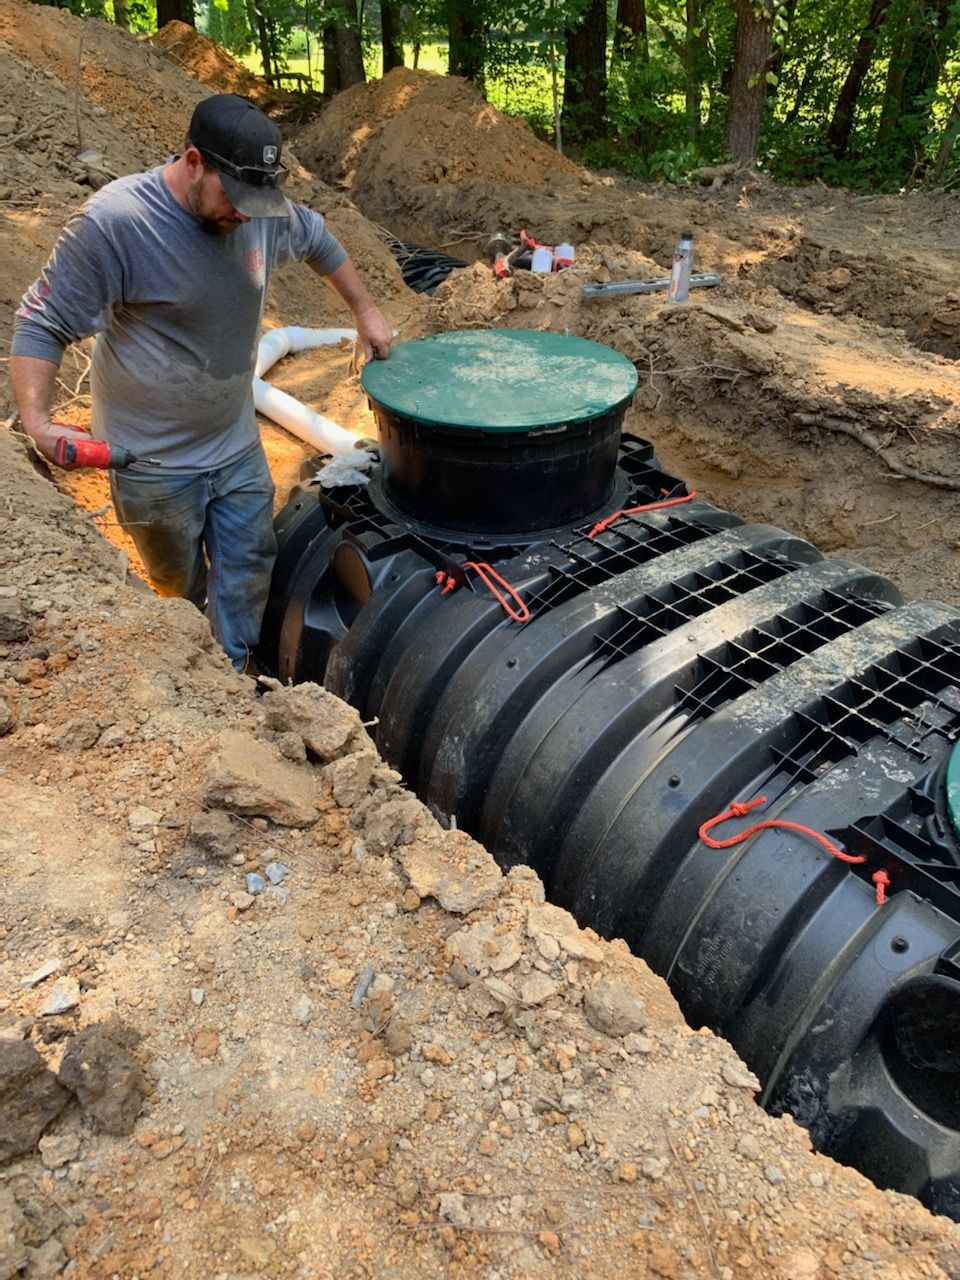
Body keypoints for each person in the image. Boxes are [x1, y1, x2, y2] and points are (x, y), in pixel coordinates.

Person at [10, 93, 392, 673]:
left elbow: (315, 237)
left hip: (234, 445)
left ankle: (234, 674)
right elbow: (42, 322)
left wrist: (365, 312)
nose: (244, 214)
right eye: (231, 196)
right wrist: (38, 422)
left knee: (249, 565)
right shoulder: (117, 225)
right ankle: (197, 675)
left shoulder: (257, 211)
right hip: (150, 465)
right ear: (194, 162)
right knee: (176, 586)